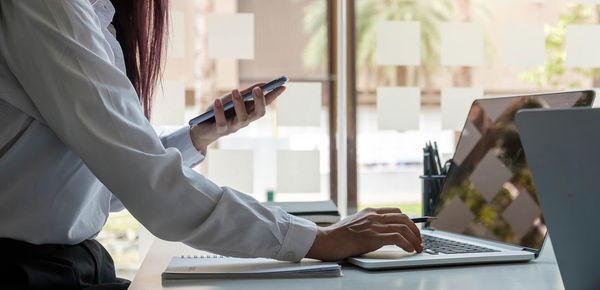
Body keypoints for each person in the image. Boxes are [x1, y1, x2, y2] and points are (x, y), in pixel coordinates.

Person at [0, 1, 423, 288]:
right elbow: (151, 188)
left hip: (71, 266)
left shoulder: (87, 13)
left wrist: (199, 136)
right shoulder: (49, 9)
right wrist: (318, 240)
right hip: (30, 273)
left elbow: (110, 186)